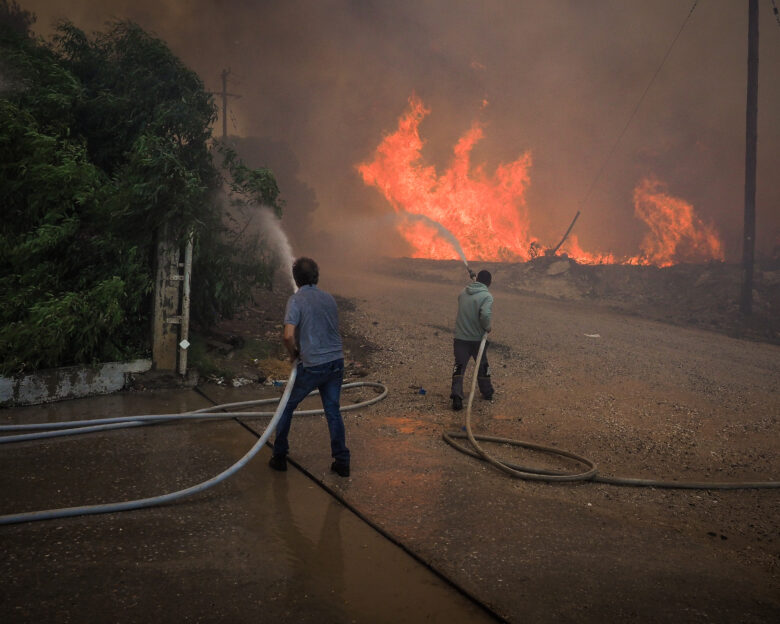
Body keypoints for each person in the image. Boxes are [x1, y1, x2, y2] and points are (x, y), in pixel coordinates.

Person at [268, 257, 350, 477]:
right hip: (336, 363)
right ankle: (342, 461)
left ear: (296, 278)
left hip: (313, 365)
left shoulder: (296, 300)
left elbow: (287, 336)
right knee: (333, 411)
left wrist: (294, 353)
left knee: (286, 407)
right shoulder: (329, 298)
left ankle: (279, 456)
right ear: (317, 276)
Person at [450, 269, 494, 411]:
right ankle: (487, 392)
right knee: (482, 365)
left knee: (459, 366)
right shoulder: (487, 296)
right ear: (489, 283)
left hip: (460, 337)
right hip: (476, 339)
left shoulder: (463, 292)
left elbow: (471, 299)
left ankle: (456, 396)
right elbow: (485, 314)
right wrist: (487, 327)